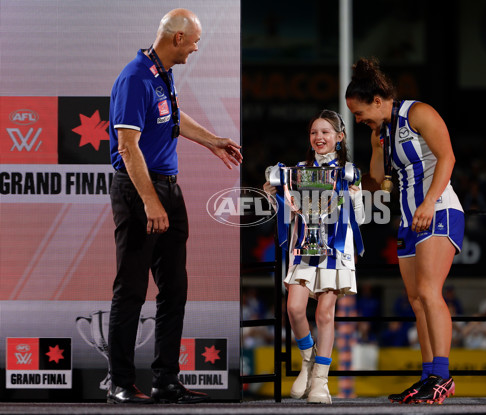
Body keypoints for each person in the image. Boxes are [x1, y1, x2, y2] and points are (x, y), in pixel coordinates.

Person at [107, 9, 242, 404]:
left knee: (174, 289)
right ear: (178, 39)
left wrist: (213, 140)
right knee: (131, 289)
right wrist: (150, 202)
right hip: (139, 192)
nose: (198, 47)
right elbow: (127, 148)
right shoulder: (134, 78)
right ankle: (120, 384)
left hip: (169, 189)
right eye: (195, 40)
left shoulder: (160, 74)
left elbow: (173, 118)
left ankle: (165, 380)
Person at [345, 58, 464, 405]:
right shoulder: (379, 133)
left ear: (378, 101)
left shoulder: (419, 113)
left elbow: (448, 158)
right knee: (416, 301)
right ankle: (428, 376)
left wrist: (429, 203)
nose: (358, 119)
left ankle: (443, 377)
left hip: (438, 210)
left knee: (429, 293)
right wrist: (345, 181)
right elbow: (378, 182)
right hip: (411, 220)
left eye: (360, 112)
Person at [263, 110, 364, 404]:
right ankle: (308, 361)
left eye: (325, 132)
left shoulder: (348, 171)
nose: (319, 137)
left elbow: (361, 218)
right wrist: (273, 193)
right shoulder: (296, 171)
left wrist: (355, 196)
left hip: (336, 247)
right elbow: (284, 209)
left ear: (339, 137)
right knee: (294, 308)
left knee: (324, 314)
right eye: (314, 133)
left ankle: (321, 381)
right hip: (305, 247)